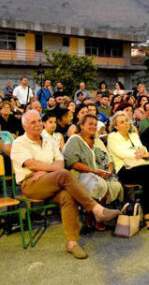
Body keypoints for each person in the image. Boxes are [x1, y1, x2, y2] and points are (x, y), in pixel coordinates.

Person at [11, 110, 120, 259]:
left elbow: (60, 162)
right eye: (33, 122)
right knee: (64, 174)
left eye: (39, 121)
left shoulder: (48, 140)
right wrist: (50, 169)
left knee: (68, 196)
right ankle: (96, 209)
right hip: (31, 183)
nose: (38, 124)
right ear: (24, 126)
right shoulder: (19, 143)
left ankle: (72, 243)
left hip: (52, 179)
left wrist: (46, 170)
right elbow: (31, 164)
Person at [63, 114, 123, 230]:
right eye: (90, 124)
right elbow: (72, 162)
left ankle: (95, 216)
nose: (93, 127)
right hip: (79, 174)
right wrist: (94, 171)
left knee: (115, 185)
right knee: (97, 184)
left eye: (95, 124)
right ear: (81, 126)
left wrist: (109, 171)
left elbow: (109, 158)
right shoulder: (75, 140)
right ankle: (95, 218)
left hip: (99, 173)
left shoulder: (97, 140)